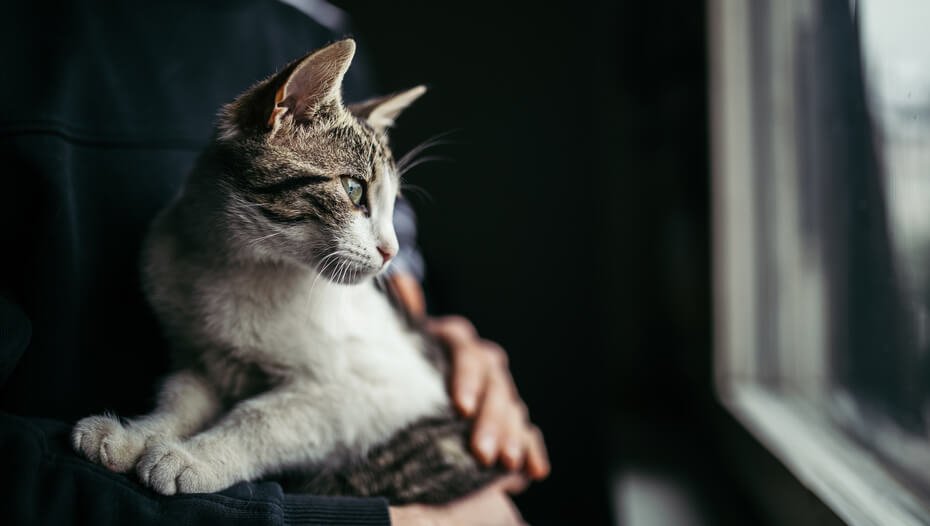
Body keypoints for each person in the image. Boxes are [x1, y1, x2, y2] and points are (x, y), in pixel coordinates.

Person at [0, 0, 547, 524]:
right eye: (358, 194)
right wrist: (159, 434)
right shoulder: (30, 39)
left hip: (417, 475)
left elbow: (358, 388)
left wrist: (438, 331)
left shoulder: (314, 23)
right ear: (281, 114)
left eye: (385, 203)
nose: (389, 248)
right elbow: (209, 373)